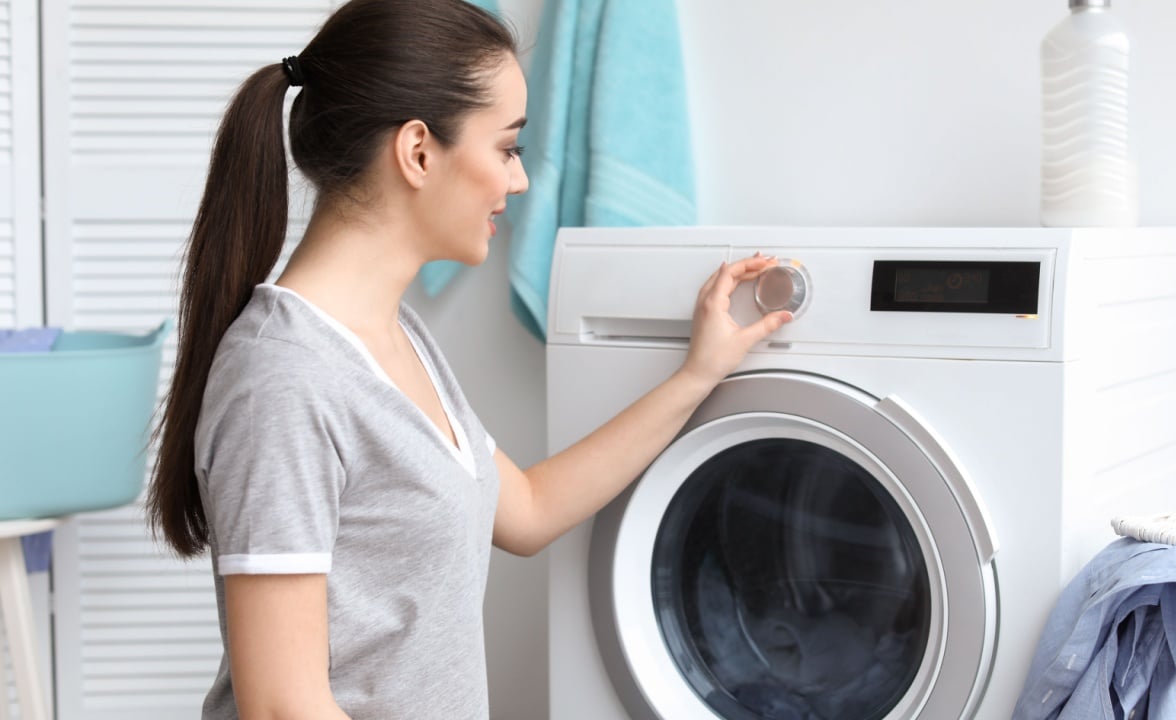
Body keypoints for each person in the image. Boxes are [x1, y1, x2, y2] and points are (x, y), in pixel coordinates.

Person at [146, 0, 791, 718]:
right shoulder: (284, 378)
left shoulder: (397, 340)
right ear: (418, 152)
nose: (518, 182)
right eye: (507, 148)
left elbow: (530, 510)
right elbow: (280, 706)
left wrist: (697, 375)